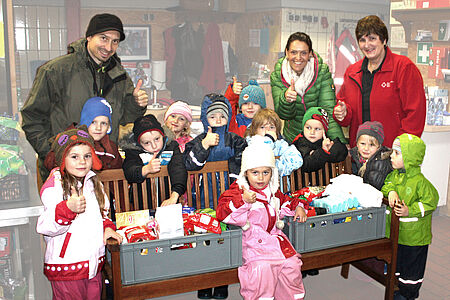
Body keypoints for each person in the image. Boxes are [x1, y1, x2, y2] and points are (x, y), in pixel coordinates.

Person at [21, 13, 149, 185]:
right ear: (89, 37)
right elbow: (32, 119)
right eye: (103, 38)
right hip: (64, 173)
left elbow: (125, 118)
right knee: (66, 212)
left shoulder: (119, 76)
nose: (109, 46)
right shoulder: (56, 71)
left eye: (115, 41)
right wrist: (54, 154)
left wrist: (135, 104)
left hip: (105, 172)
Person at [36, 126, 123, 300]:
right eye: (74, 156)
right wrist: (68, 209)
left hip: (93, 266)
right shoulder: (55, 186)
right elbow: (45, 226)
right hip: (67, 268)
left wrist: (107, 228)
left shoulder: (93, 183)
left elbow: (102, 214)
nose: (82, 161)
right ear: (62, 159)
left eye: (87, 156)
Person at [216, 140, 306, 300]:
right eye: (255, 172)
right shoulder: (238, 191)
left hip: (274, 240)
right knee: (261, 270)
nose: (261, 178)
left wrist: (298, 206)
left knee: (292, 265)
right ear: (245, 173)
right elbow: (223, 213)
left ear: (272, 173)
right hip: (251, 243)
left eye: (266, 172)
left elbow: (287, 202)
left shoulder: (273, 191)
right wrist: (243, 201)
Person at [183, 94, 247, 300]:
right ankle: (204, 280)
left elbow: (242, 162)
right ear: (204, 118)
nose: (218, 120)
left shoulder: (235, 140)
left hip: (226, 196)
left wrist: (233, 187)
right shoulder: (198, 140)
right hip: (202, 197)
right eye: (213, 116)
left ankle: (221, 281)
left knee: (224, 238)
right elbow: (190, 164)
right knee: (204, 237)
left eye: (222, 116)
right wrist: (205, 145)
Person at [333, 15, 426, 148]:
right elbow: (344, 110)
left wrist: (401, 147)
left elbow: (415, 114)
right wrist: (342, 113)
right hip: (361, 154)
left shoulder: (403, 68)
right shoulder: (352, 72)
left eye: (372, 38)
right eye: (362, 40)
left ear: (384, 40)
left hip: (391, 155)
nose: (367, 45)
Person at [382, 133, 438, 300]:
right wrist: (390, 191)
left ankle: (408, 295)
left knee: (412, 271)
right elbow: (387, 184)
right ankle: (398, 288)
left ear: (410, 158)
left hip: (415, 238)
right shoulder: (396, 175)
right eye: (393, 151)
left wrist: (410, 211)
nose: (391, 155)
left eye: (397, 153)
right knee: (398, 266)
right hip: (399, 234)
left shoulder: (421, 183)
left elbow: (431, 202)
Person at [271, 31, 346, 144]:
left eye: (303, 53)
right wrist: (286, 100)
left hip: (317, 138)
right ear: (286, 52)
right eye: (293, 52)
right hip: (293, 138)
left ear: (310, 53)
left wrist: (339, 143)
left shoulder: (321, 71)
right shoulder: (278, 75)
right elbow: (283, 114)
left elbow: (327, 110)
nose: (298, 58)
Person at [121, 114, 187, 207]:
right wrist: (147, 169)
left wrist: (174, 196)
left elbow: (178, 169)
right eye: (147, 143)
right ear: (139, 143)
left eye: (157, 139)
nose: (154, 146)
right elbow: (129, 171)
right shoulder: (133, 151)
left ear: (162, 135)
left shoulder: (171, 147)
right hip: (141, 203)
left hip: (168, 201)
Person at [44, 97, 123, 172]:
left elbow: (118, 174)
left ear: (109, 126)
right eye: (93, 122)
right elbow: (50, 163)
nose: (98, 128)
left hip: (102, 185)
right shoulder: (70, 140)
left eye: (103, 123)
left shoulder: (111, 148)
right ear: (85, 122)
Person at [244, 108, 303, 185]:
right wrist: (268, 139)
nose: (267, 131)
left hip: (281, 190)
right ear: (255, 130)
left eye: (272, 127)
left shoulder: (280, 144)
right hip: (258, 190)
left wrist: (275, 167)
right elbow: (261, 160)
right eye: (262, 127)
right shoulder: (251, 144)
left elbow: (297, 160)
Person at [292, 107, 348, 173]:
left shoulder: (325, 141)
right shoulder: (299, 144)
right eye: (308, 128)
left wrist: (330, 149)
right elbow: (307, 165)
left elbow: (341, 153)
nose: (312, 132)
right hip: (305, 182)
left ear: (324, 131)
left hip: (326, 181)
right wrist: (323, 151)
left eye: (317, 129)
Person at [350, 121, 392, 190]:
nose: (366, 148)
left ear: (379, 147)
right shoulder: (359, 157)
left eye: (371, 145)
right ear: (357, 144)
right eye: (363, 143)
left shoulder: (379, 162)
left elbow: (373, 188)